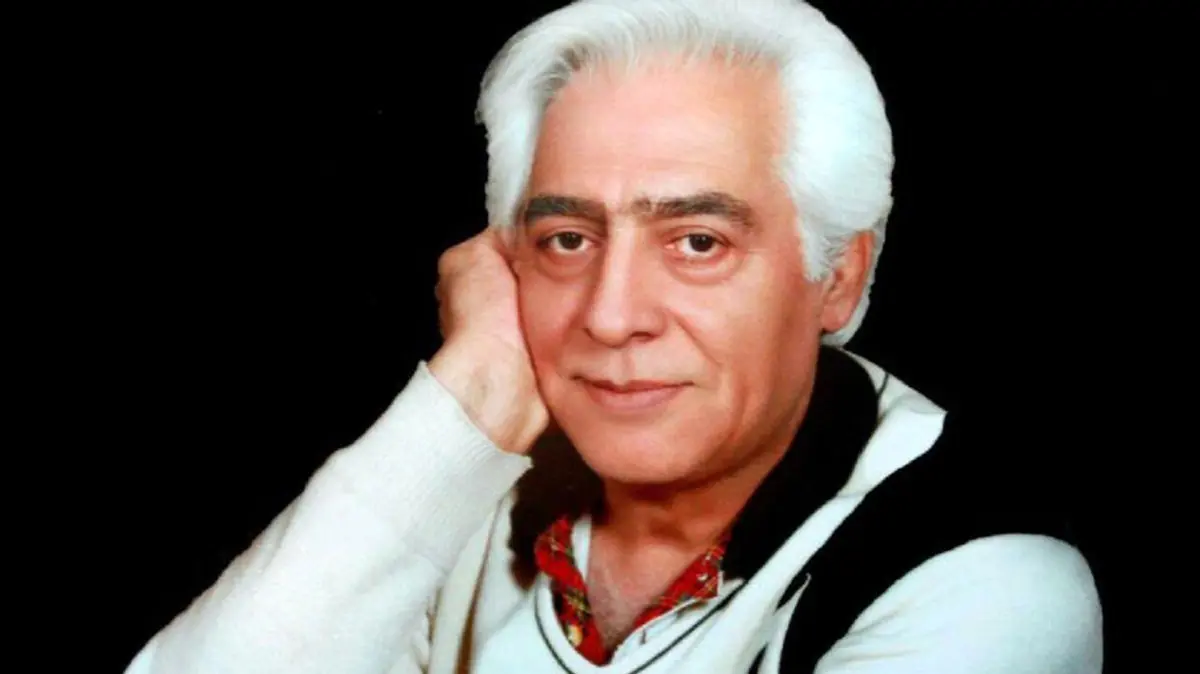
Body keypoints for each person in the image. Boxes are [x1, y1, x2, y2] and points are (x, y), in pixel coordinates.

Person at [126, 0, 1103, 672]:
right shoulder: (466, 486)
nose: (610, 312)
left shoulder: (989, 578)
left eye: (697, 241)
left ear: (836, 276)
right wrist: (466, 401)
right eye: (567, 238)